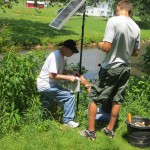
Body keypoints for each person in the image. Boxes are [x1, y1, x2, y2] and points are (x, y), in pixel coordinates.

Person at [81, 0, 140, 140]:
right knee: (117, 99)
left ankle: (91, 132)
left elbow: (107, 47)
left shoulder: (113, 21)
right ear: (130, 11)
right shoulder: (136, 27)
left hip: (111, 67)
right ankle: (110, 130)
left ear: (119, 7)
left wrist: (99, 44)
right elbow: (135, 53)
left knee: (94, 97)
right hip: (125, 68)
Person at [37, 39, 80, 128]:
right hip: (47, 85)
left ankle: (42, 120)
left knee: (46, 104)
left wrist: (71, 72)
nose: (72, 54)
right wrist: (70, 78)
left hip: (46, 84)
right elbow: (52, 75)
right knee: (69, 97)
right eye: (72, 51)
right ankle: (67, 121)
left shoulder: (60, 56)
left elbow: (60, 70)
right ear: (66, 48)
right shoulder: (55, 56)